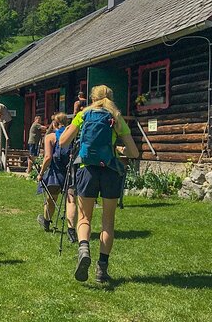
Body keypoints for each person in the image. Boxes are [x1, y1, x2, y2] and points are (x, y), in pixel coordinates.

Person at [59, 85, 139, 283]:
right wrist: (119, 151)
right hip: (110, 170)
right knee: (107, 222)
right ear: (110, 97)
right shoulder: (116, 117)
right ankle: (102, 269)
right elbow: (134, 153)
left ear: (92, 98)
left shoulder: (84, 115)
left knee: (84, 217)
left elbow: (63, 142)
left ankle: (84, 249)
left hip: (87, 169)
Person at [36, 113, 77, 243]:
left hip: (55, 173)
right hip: (70, 171)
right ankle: (71, 230)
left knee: (51, 199)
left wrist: (41, 173)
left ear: (54, 124)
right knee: (71, 201)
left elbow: (48, 157)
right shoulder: (72, 135)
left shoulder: (50, 137)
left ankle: (47, 222)